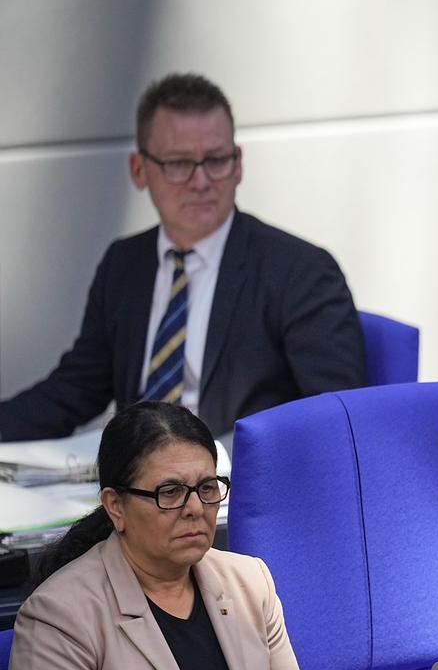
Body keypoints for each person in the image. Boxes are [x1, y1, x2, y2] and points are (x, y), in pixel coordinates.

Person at [0, 72, 365, 443]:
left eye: (216, 160)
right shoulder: (124, 263)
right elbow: (74, 389)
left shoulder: (300, 272)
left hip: (234, 487)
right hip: (132, 483)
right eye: (179, 163)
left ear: (238, 164)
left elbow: (334, 419)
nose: (202, 181)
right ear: (139, 170)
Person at [7, 401, 324, 670]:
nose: (195, 508)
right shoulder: (61, 612)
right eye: (170, 492)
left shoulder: (248, 580)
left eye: (207, 488)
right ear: (115, 506)